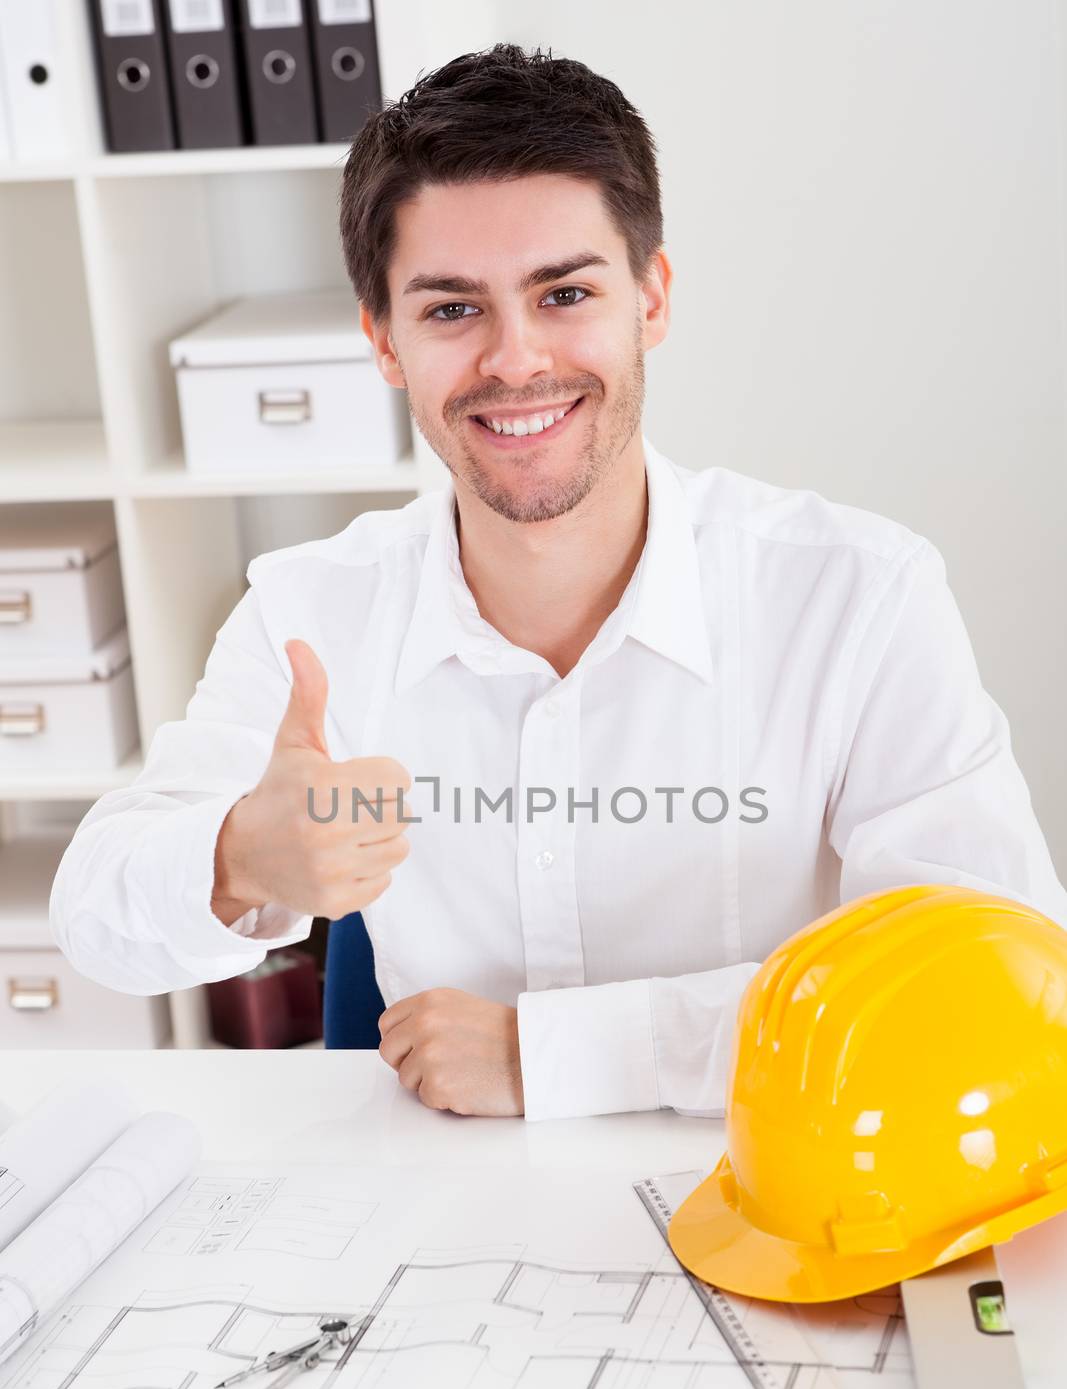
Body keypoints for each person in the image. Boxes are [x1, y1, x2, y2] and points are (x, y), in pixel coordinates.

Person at [50, 43, 1067, 1121]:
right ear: (382, 340)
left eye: (564, 292)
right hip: (432, 1229)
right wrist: (234, 858)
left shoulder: (858, 601)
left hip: (780, 1197)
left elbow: (990, 986)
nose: (516, 359)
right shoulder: (311, 613)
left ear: (651, 297)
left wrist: (557, 1055)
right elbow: (95, 915)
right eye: (451, 309)